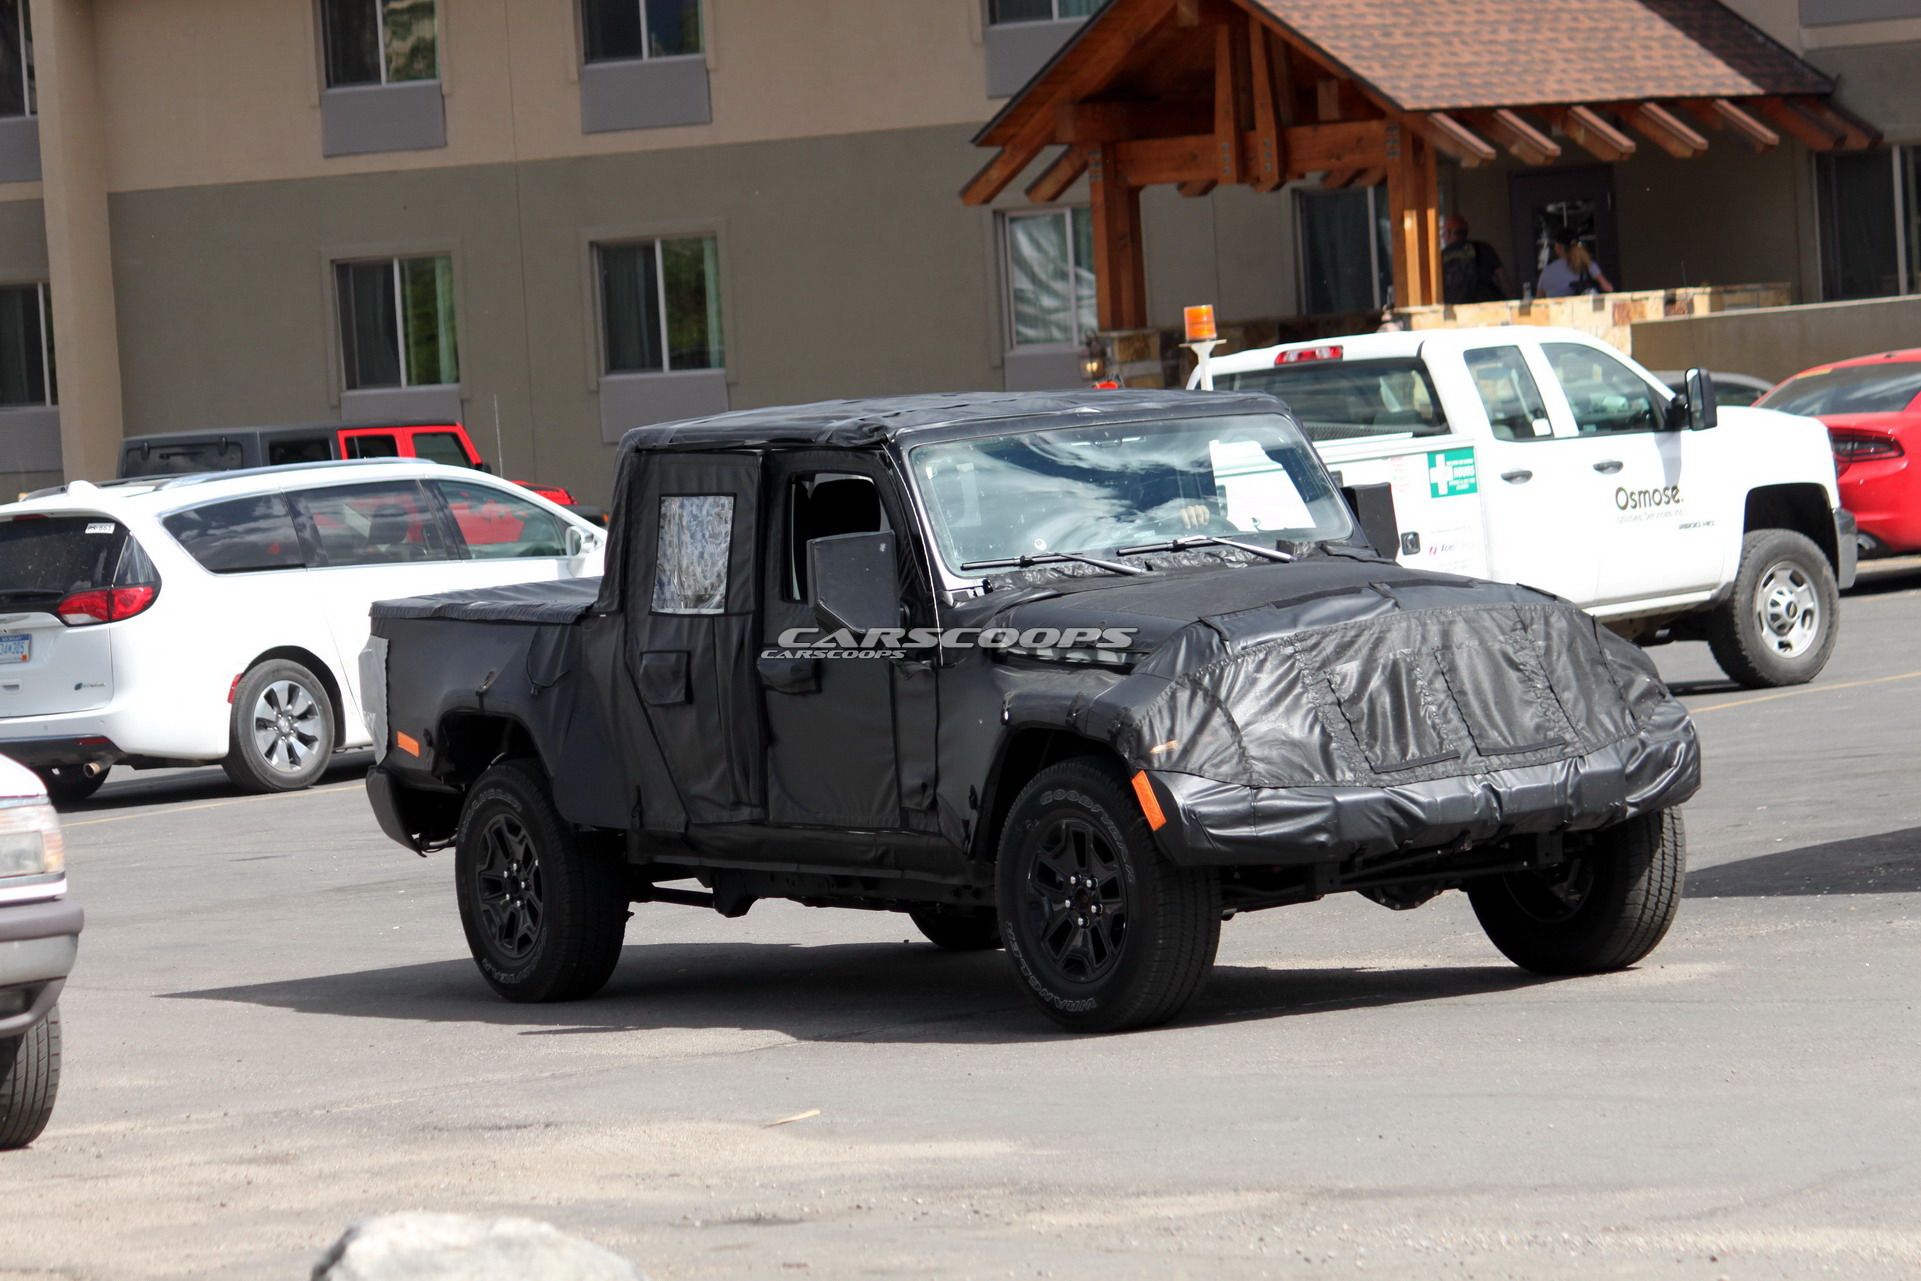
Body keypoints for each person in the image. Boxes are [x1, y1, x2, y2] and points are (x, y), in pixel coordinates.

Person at [1440, 215, 1511, 304]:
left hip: (1456, 311)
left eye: (1443, 234)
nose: (1443, 237)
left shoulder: (1441, 257)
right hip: (1487, 308)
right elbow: (1503, 280)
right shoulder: (1484, 248)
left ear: (1449, 233)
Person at [1538, 234, 1616, 297]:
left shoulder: (1547, 271)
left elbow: (1539, 298)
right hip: (1583, 313)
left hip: (1556, 314)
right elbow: (1608, 288)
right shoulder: (1587, 265)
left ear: (1558, 247)